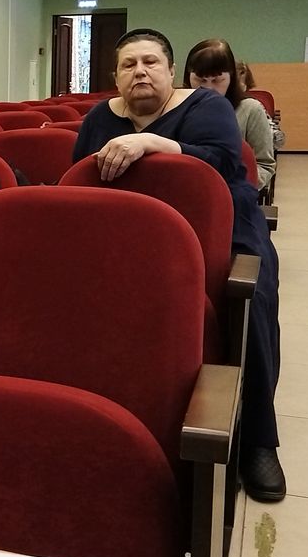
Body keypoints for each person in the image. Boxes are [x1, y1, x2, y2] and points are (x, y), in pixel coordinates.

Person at [72, 28, 285, 503]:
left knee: (252, 295)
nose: (140, 72)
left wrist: (153, 143)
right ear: (115, 77)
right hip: (131, 239)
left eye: (150, 62)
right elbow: (79, 183)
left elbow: (223, 163)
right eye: (128, 65)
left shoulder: (205, 106)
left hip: (223, 226)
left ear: (172, 72)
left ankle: (258, 439)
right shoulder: (100, 119)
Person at [184, 39, 276, 191]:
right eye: (201, 80)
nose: (208, 88)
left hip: (233, 194)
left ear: (231, 77)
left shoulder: (250, 109)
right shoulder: (178, 107)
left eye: (217, 80)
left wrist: (238, 186)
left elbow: (265, 164)